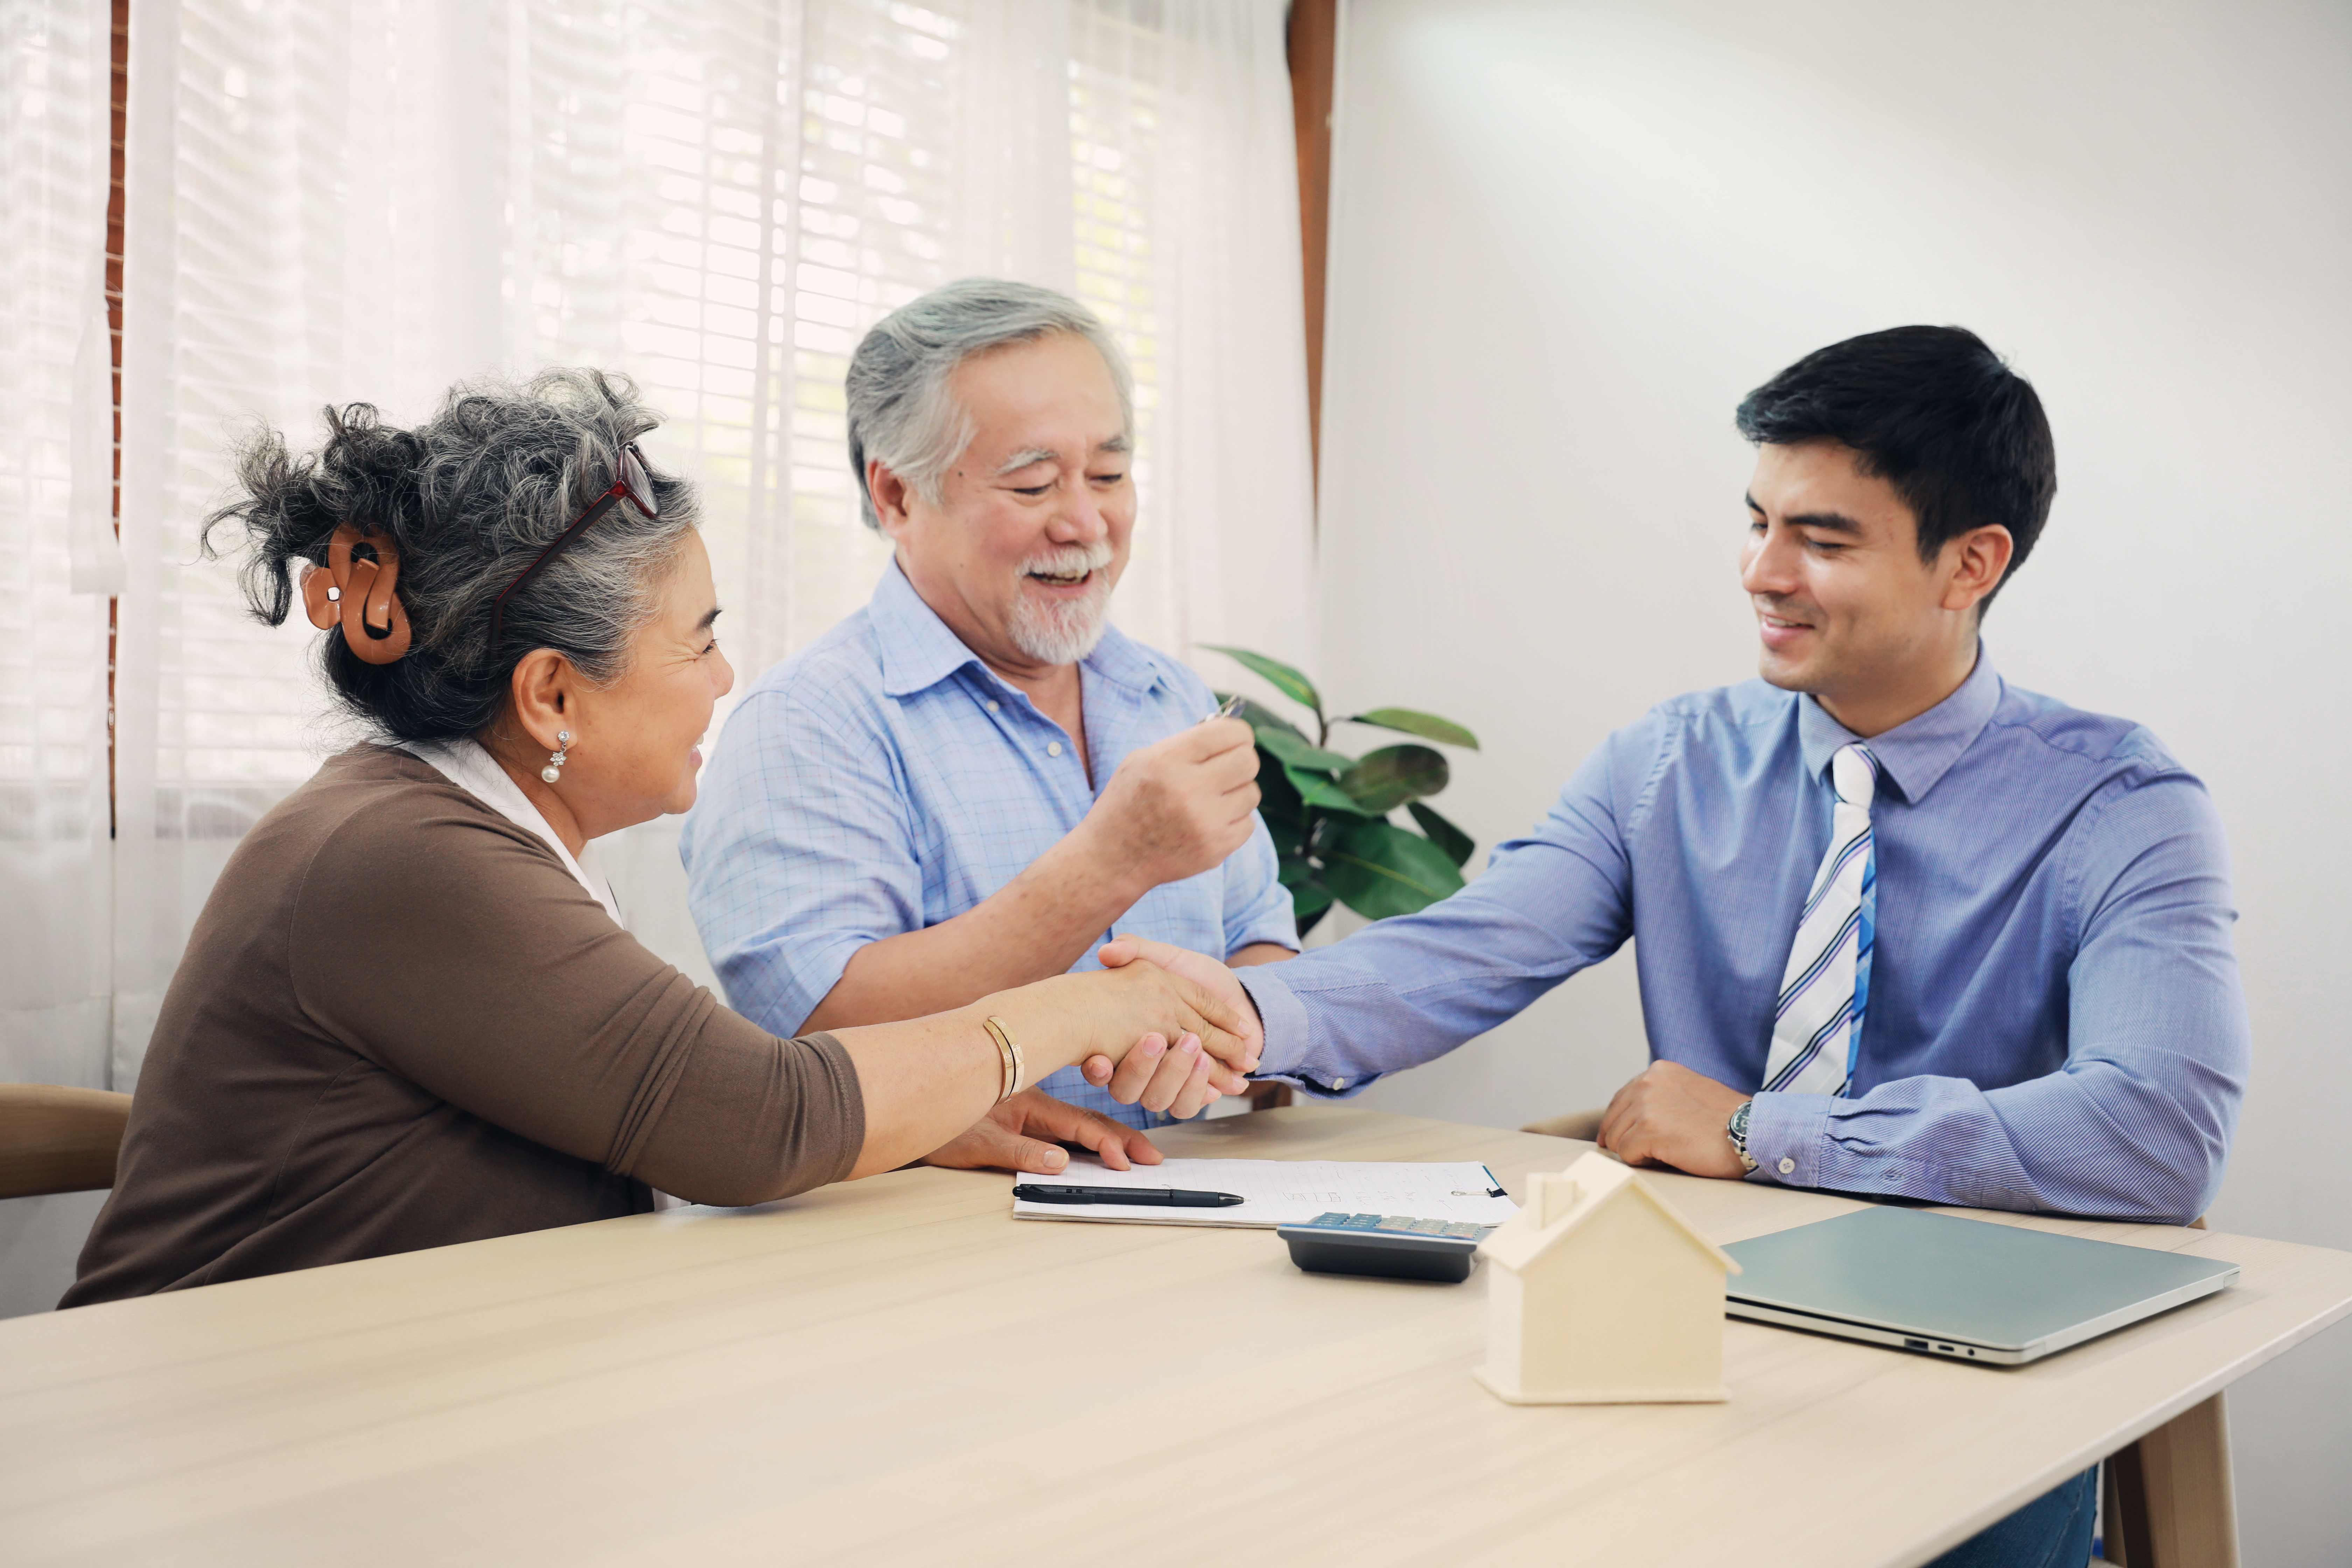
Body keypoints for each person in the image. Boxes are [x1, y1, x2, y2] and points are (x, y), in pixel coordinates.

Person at [1099, 327, 2251, 1568]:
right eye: (1755, 521)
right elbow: (1473, 947)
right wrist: (1248, 1015)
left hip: (1974, 1368)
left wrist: (1761, 1133)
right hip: (1680, 1326)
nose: (1762, 572)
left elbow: (2157, 1131)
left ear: (1971, 563)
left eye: (1821, 539)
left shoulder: (2122, 803)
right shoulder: (1670, 762)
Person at [64, 371, 1247, 1306]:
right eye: (699, 641)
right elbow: (757, 1121)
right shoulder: (401, 857)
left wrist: (905, 1125)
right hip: (203, 1415)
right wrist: (1086, 1009)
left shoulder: (448, 827)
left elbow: (677, 1100)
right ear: (550, 698)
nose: (725, 677)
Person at [681, 279, 1298, 1175]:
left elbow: (1260, 941)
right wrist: (1110, 862)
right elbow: (824, 1039)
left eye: (1111, 475)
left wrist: (1230, 1040)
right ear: (895, 495)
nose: (1086, 521)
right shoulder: (805, 725)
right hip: (944, 1251)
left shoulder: (1169, 696)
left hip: (1205, 1207)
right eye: (1034, 481)